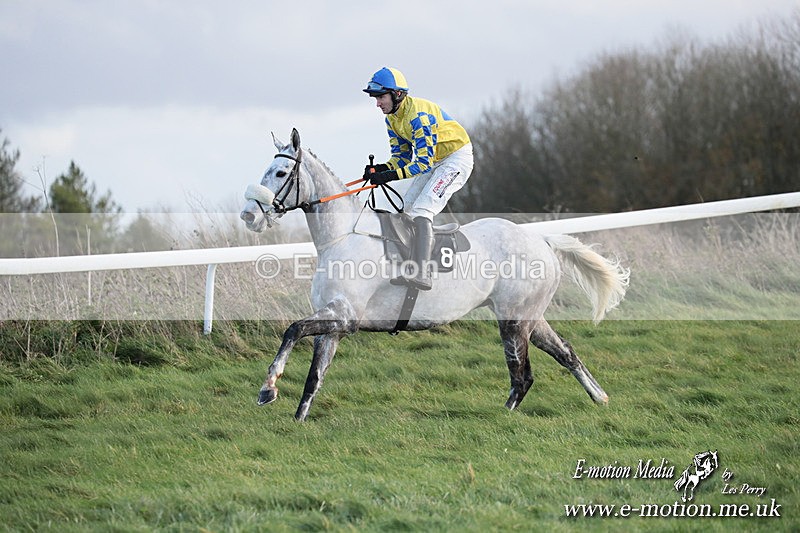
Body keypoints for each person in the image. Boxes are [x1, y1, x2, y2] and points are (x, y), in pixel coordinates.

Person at [362, 67, 474, 291]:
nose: (377, 103)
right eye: (375, 98)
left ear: (398, 94)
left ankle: (422, 273)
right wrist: (381, 169)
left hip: (455, 159)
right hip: (435, 161)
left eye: (381, 97)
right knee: (407, 209)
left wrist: (390, 175)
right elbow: (402, 158)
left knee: (423, 210)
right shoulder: (391, 119)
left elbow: (421, 163)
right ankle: (408, 266)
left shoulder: (419, 117)